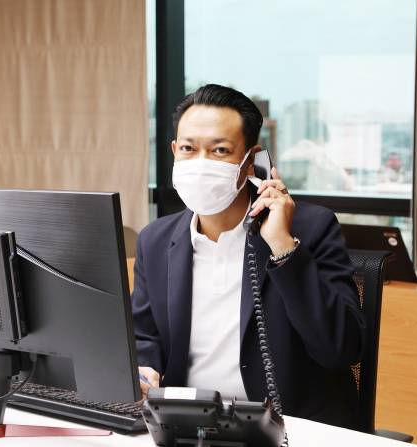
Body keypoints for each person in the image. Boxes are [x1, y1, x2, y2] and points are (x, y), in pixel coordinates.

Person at [132, 84, 366, 429]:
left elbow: (341, 348)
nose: (201, 163)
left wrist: (284, 247)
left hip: (289, 429)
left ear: (251, 160)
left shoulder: (312, 227)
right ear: (173, 151)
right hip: (185, 425)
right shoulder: (155, 240)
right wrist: (145, 369)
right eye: (188, 148)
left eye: (220, 150)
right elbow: (144, 336)